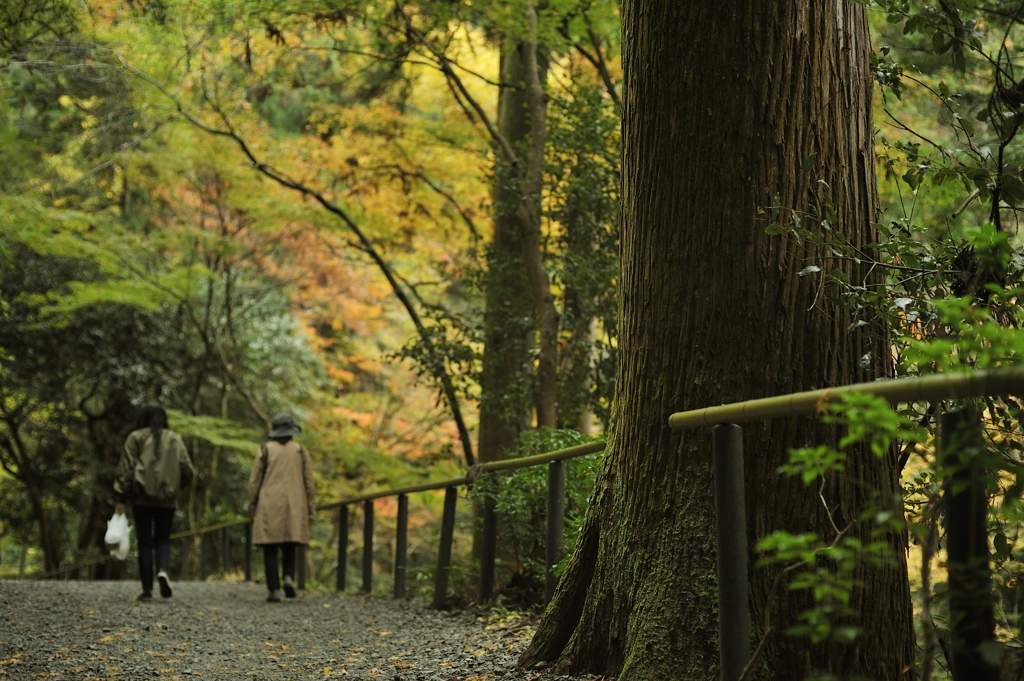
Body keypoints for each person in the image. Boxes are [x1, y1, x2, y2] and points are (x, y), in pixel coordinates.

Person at [114, 403, 194, 601]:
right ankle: (162, 570)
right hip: (167, 499)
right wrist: (176, 487)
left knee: (144, 543)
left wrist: (121, 498)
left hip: (141, 499)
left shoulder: (136, 438)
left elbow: (126, 469)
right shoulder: (175, 439)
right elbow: (187, 469)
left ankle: (147, 590)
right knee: (163, 539)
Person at [248, 412, 316, 602]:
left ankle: (274, 589)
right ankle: (288, 577)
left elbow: (255, 481)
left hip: (269, 501)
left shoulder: (266, 449)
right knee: (290, 543)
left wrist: (252, 507)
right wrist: (310, 507)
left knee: (270, 546)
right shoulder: (300, 450)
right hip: (295, 502)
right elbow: (309, 481)